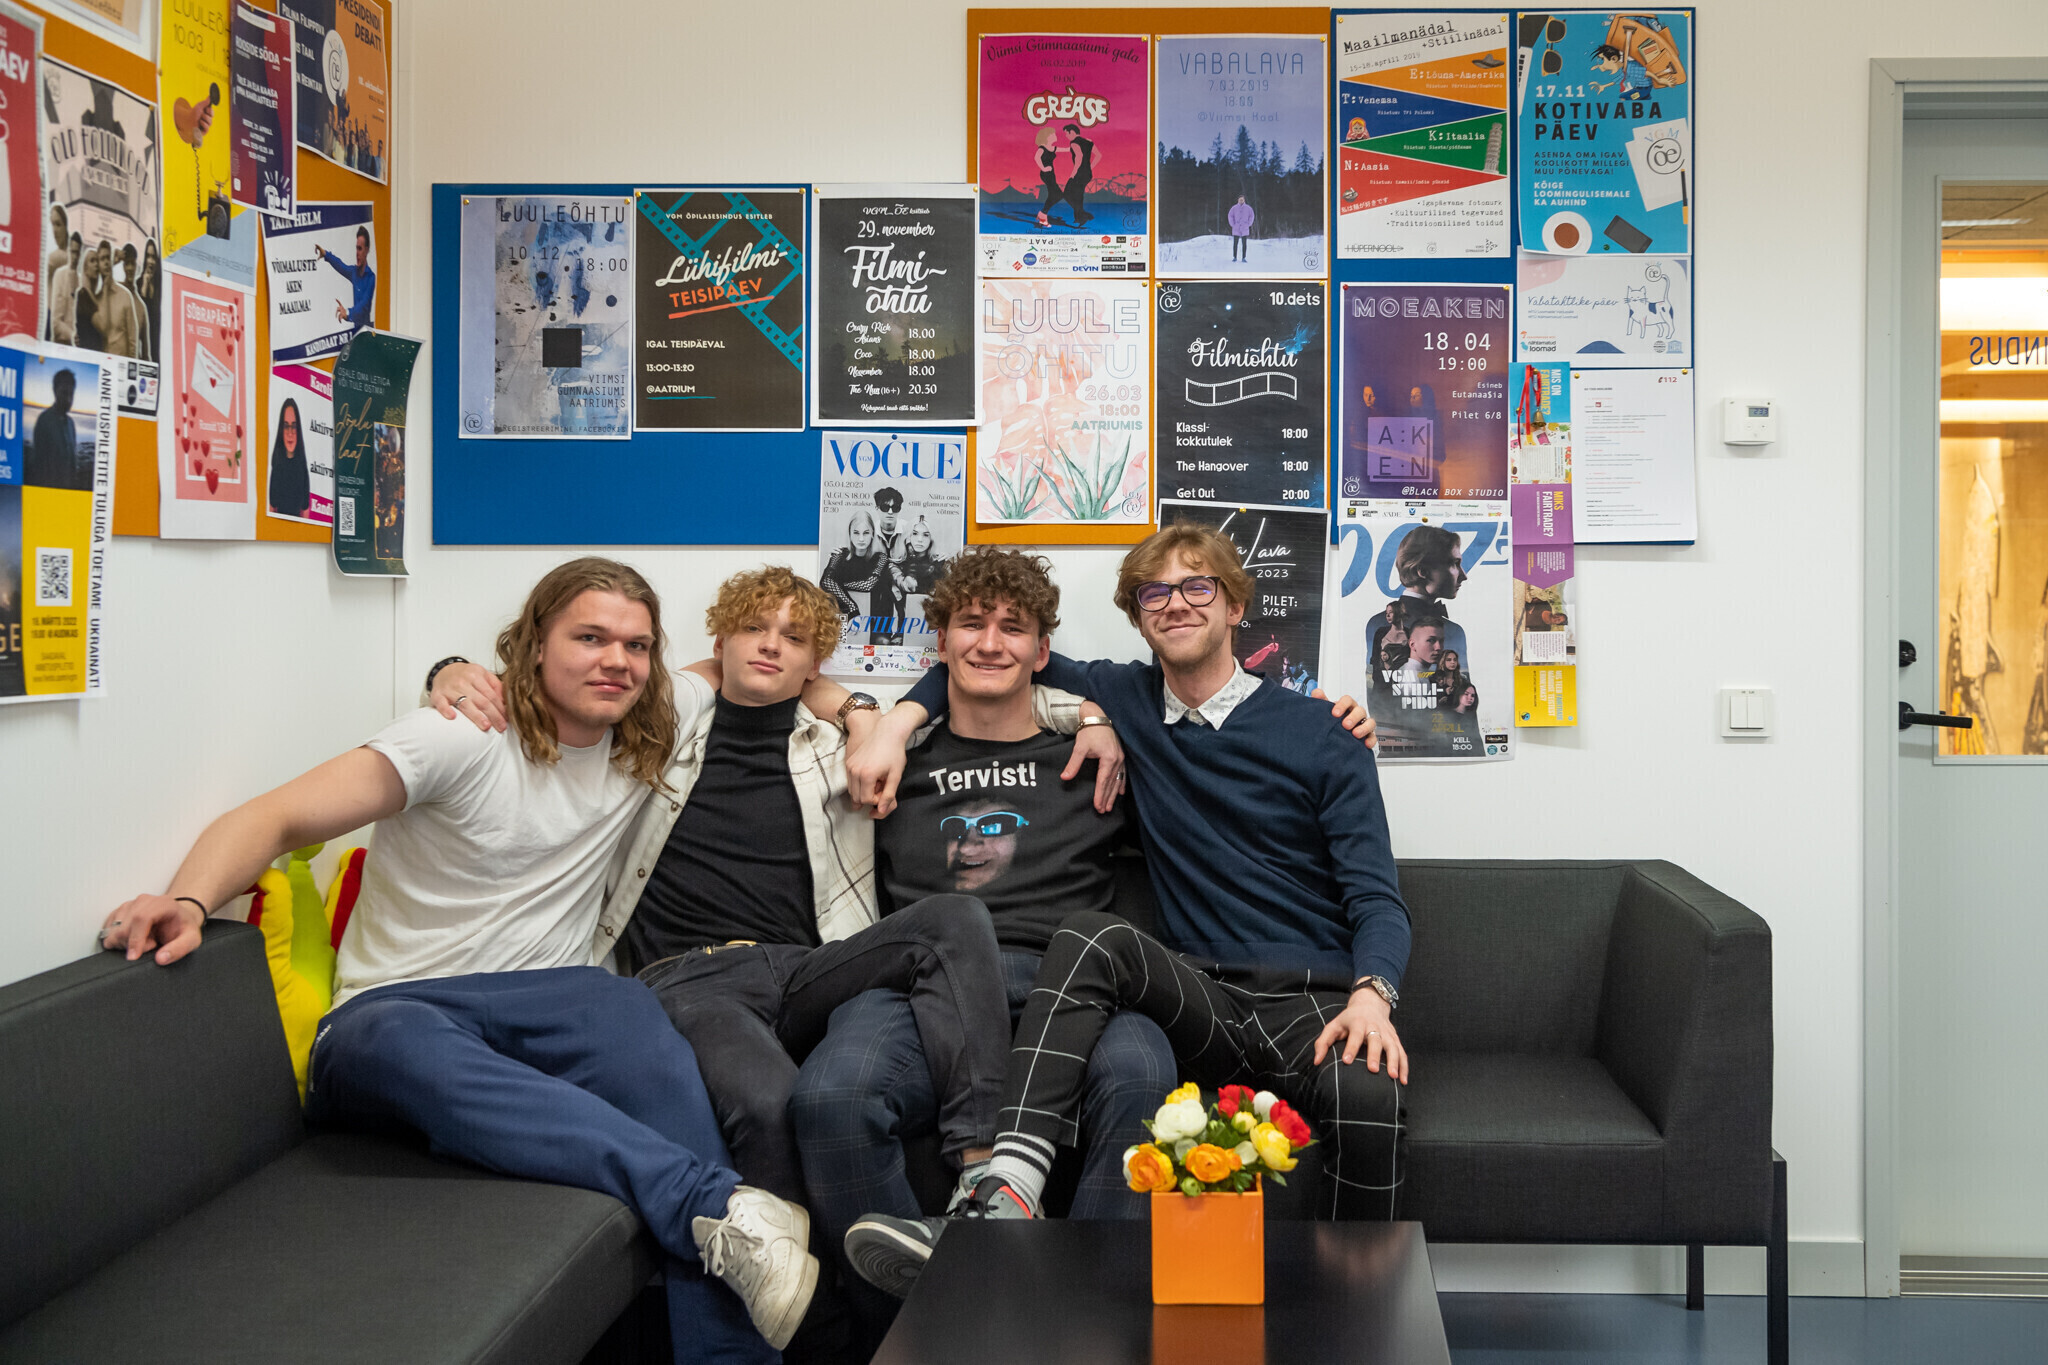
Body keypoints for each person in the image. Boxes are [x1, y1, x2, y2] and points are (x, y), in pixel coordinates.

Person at [97, 559, 820, 1360]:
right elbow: (274, 817)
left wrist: (868, 715)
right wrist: (191, 900)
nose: (617, 660)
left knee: (630, 1010)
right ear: (534, 645)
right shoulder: (457, 736)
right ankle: (707, 1200)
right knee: (392, 1038)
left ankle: (729, 1333)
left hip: (553, 1006)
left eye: (636, 645)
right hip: (402, 1010)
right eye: (589, 637)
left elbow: (757, 672)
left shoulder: (649, 723)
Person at [429, 561, 1121, 1362]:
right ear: (719, 639)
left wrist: (882, 716)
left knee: (955, 917)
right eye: (754, 628)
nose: (770, 645)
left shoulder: (834, 745)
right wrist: (447, 672)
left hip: (803, 966)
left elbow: (980, 689)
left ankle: (981, 1175)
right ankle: (840, 1337)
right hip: (692, 975)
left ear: (815, 663)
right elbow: (568, 689)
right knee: (775, 1102)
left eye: (793, 637)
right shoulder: (657, 729)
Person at [841, 526, 1398, 1294]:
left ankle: (1358, 1308)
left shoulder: (1325, 732)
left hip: (1311, 999)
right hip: (1200, 994)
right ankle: (1007, 1190)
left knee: (1370, 1098)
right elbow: (982, 658)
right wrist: (888, 723)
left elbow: (1376, 895)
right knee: (1094, 934)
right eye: (1154, 592)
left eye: (1198, 585)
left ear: (1235, 605)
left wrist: (1374, 994)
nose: (1176, 603)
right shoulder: (1127, 700)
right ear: (1139, 617)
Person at [791, 547, 1172, 1325]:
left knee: (1143, 1075)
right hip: (919, 985)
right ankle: (918, 1330)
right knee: (830, 1095)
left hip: (1069, 984)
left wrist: (1326, 717)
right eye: (971, 623)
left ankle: (1085, 1325)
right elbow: (782, 677)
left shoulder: (1097, 756)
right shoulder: (889, 760)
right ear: (941, 642)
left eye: (1013, 627)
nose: (991, 643)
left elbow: (1210, 739)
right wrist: (877, 718)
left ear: (1042, 650)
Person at [819, 510, 886, 629]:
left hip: (870, 619)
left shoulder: (880, 557)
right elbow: (826, 582)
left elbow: (868, 585)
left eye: (866, 533)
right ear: (849, 534)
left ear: (872, 534)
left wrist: (838, 585)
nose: (861, 538)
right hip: (840, 614)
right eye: (856, 533)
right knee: (840, 639)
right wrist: (852, 609)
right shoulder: (839, 554)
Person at [25, 367, 86, 491]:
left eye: (71, 394)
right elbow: (39, 465)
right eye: (64, 393)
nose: (68, 399)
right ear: (55, 391)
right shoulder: (44, 420)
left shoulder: (71, 424)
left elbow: (72, 462)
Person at [316, 226, 376, 331]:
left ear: (366, 250)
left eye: (360, 248)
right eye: (356, 248)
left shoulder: (371, 277)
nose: (357, 253)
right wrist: (326, 254)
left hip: (367, 332)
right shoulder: (354, 272)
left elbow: (364, 304)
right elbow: (340, 265)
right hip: (356, 329)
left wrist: (347, 313)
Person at [93, 242, 140, 358]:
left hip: (121, 363)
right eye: (102, 259)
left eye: (108, 258)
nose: (106, 262)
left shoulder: (125, 296)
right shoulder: (95, 300)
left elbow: (133, 342)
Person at [269, 396, 310, 519]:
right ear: (281, 430)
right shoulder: (276, 467)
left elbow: (306, 515)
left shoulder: (303, 470)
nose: (290, 433)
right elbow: (271, 510)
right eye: (286, 426)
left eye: (294, 426)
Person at [71, 242, 106, 354]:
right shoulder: (82, 295)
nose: (96, 265)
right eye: (92, 261)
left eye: (97, 261)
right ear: (85, 268)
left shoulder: (96, 296)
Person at [48, 234, 82, 347]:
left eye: (77, 253)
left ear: (80, 254)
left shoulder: (81, 281)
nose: (75, 257)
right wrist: (72, 335)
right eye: (72, 252)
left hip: (77, 348)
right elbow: (55, 322)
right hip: (60, 345)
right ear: (68, 251)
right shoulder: (59, 275)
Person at [1060, 122, 1096, 227]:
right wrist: (1089, 167)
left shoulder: (1074, 143)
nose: (1066, 136)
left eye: (1066, 133)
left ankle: (1083, 216)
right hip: (1087, 173)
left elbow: (1079, 157)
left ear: (1072, 132)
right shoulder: (1089, 142)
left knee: (1067, 194)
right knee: (1078, 195)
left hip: (1079, 173)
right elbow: (1098, 155)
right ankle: (1079, 217)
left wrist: (1073, 173)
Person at [1033, 126, 1060, 229]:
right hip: (1046, 174)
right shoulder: (1042, 148)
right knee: (1055, 194)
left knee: (1057, 194)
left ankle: (1042, 215)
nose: (1055, 135)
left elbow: (1067, 149)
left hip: (1051, 174)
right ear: (1047, 137)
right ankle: (1042, 215)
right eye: (1053, 134)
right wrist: (1043, 168)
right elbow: (1036, 158)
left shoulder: (1052, 148)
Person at [1227, 194, 1254, 263]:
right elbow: (1230, 216)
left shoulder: (1248, 208)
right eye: (1240, 200)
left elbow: (1251, 216)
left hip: (1245, 228)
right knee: (1235, 243)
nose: (1241, 201)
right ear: (1238, 200)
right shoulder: (1234, 208)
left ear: (1244, 200)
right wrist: (1232, 224)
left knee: (1244, 244)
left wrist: (1249, 224)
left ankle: (1243, 257)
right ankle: (1235, 257)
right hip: (1236, 227)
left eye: (1242, 200)